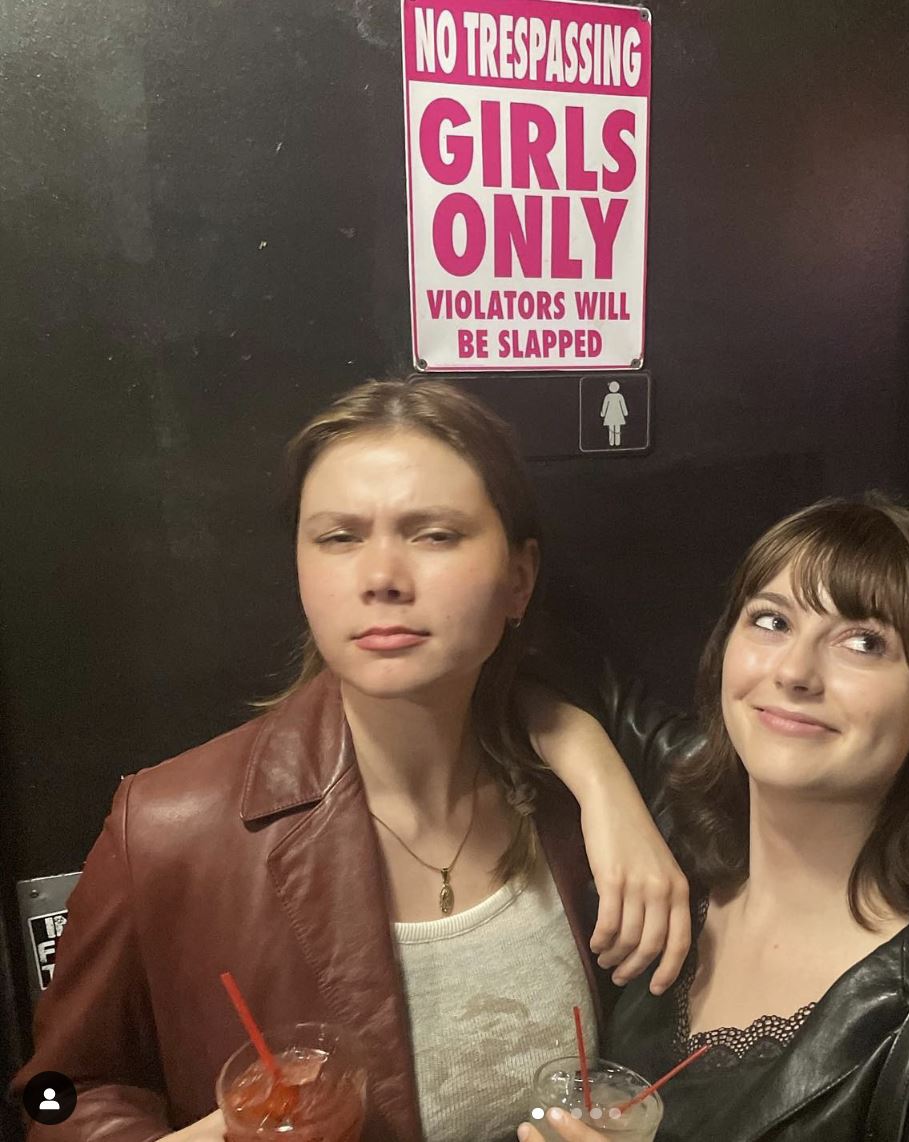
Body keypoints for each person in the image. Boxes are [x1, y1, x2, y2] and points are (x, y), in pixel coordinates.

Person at [11, 378, 690, 1142]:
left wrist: (596, 767)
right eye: (339, 537)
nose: (381, 578)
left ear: (519, 579)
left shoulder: (571, 803)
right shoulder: (167, 827)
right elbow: (57, 1094)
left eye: (434, 534)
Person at [518, 496, 909, 1142]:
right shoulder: (673, 821)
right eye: (770, 621)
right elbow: (514, 667)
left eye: (863, 642)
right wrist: (604, 786)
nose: (794, 671)